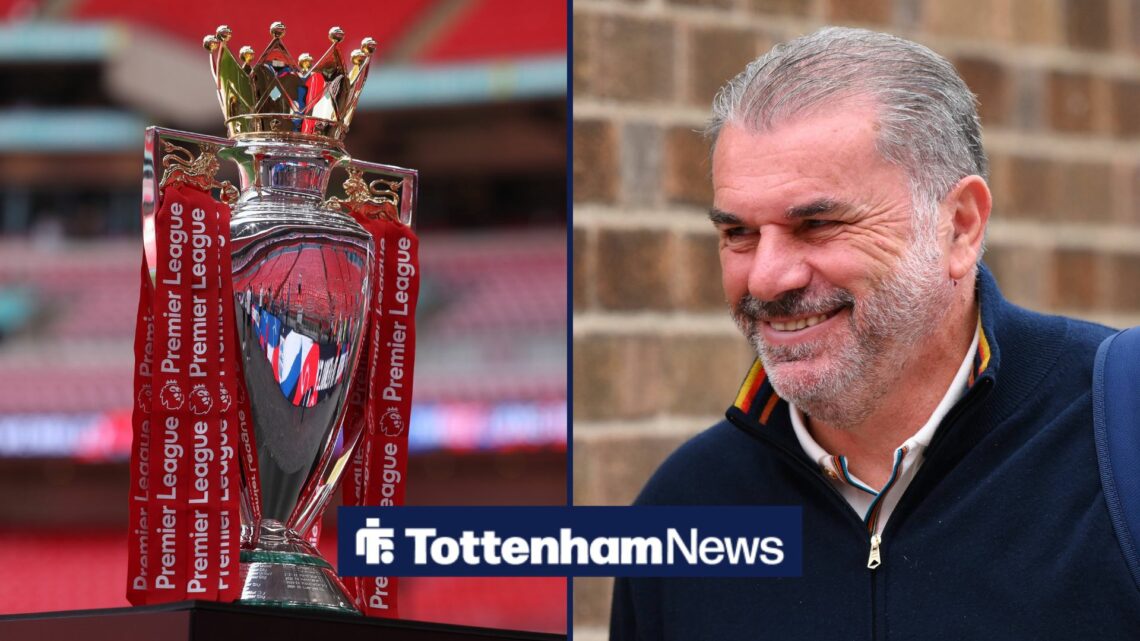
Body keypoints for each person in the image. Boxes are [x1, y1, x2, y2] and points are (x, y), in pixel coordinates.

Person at [609, 26, 1140, 639]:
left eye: (817, 225)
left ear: (960, 226)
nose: (767, 278)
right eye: (738, 234)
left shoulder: (1117, 441)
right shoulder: (684, 511)